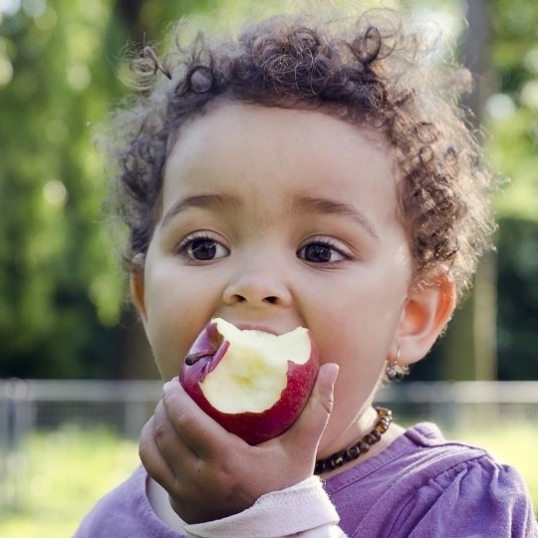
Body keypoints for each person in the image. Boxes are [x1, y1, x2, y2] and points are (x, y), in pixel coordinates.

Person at [75, 4, 538, 537]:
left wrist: (271, 518)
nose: (254, 285)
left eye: (319, 251)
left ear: (412, 314)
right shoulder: (111, 523)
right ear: (145, 298)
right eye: (203, 246)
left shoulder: (454, 502)